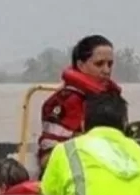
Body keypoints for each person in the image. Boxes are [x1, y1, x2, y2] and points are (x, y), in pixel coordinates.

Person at [36, 35, 121, 174]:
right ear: (80, 65)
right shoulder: (63, 103)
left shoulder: (113, 98)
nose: (106, 70)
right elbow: (47, 157)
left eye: (110, 64)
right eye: (99, 64)